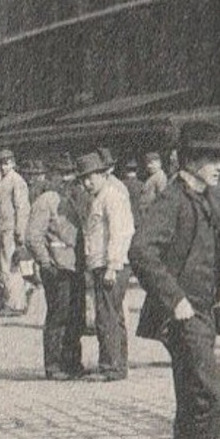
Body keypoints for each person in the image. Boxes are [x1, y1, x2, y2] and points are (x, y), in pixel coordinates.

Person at [127, 121, 220, 439]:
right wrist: (173, 298)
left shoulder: (214, 195)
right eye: (212, 159)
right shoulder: (172, 200)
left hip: (208, 313)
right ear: (191, 161)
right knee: (214, 399)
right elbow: (141, 251)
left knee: (194, 403)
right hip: (182, 316)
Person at [26, 153, 85, 379]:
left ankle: (72, 362)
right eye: (62, 174)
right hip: (57, 268)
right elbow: (32, 236)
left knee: (75, 317)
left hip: (74, 266)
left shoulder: (70, 198)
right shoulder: (47, 200)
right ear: (52, 176)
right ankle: (54, 365)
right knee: (59, 317)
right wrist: (45, 261)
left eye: (70, 174)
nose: (67, 179)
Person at [80, 148, 136, 380]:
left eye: (90, 177)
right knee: (112, 315)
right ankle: (117, 364)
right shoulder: (99, 197)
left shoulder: (111, 196)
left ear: (103, 174)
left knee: (107, 317)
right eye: (83, 178)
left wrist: (113, 266)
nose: (86, 182)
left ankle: (110, 367)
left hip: (110, 264)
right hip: (102, 264)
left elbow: (120, 232)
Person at [0, 148, 31, 315]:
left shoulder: (17, 181)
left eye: (7, 163)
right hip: (0, 228)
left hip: (11, 230)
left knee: (10, 266)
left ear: (13, 163)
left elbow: (22, 208)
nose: (4, 166)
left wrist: (20, 232)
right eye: (1, 164)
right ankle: (2, 301)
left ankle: (14, 304)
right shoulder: (2, 181)